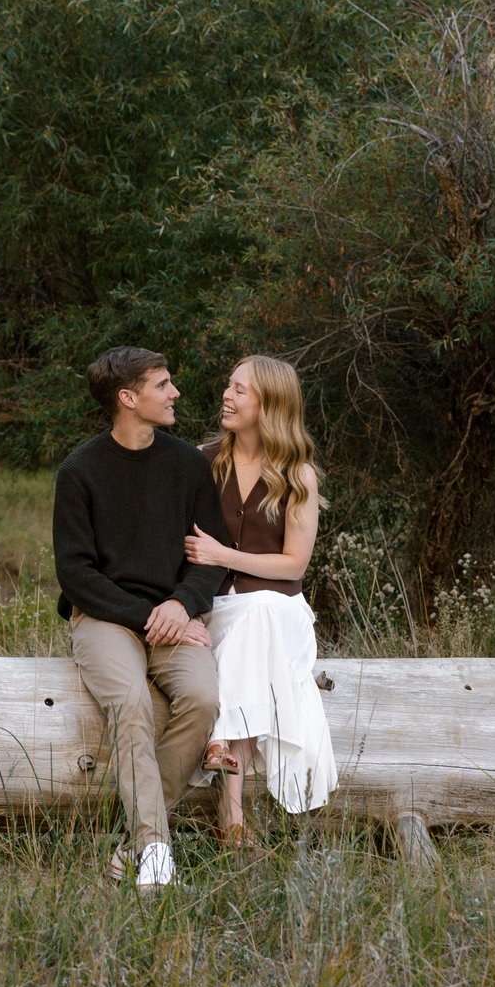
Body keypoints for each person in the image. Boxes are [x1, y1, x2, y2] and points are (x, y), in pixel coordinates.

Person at [52, 346, 230, 892]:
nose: (174, 393)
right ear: (128, 399)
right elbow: (76, 574)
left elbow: (211, 555)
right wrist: (153, 614)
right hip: (105, 618)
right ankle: (155, 852)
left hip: (173, 617)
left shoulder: (188, 465)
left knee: (201, 699)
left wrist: (179, 605)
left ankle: (133, 844)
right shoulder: (80, 471)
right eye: (163, 384)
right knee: (130, 704)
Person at [182, 354, 336, 843]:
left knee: (262, 613)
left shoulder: (298, 475)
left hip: (278, 611)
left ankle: (231, 807)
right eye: (228, 386)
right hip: (219, 608)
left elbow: (294, 565)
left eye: (239, 389)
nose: (226, 396)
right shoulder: (203, 461)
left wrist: (223, 553)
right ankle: (232, 818)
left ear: (269, 403)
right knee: (249, 628)